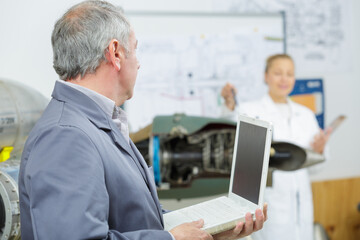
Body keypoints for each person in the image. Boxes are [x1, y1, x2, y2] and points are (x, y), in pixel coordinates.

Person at [18, 1, 268, 239]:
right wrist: (170, 239)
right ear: (115, 53)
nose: (138, 63)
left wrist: (208, 231)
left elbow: (133, 217)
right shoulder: (66, 136)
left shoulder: (98, 123)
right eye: (135, 49)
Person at [221, 54, 331, 240]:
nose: (284, 79)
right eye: (278, 73)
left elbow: (316, 169)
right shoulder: (250, 111)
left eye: (289, 74)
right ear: (266, 76)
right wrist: (229, 105)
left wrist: (319, 152)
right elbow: (229, 139)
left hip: (302, 209)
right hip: (270, 205)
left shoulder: (305, 115)